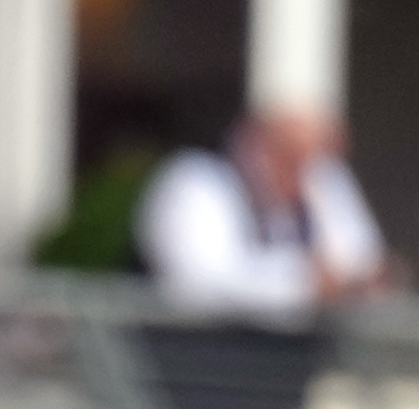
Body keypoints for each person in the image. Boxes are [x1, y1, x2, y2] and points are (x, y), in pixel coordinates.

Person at [139, 100, 399, 315]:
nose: (304, 175)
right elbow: (200, 286)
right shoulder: (192, 182)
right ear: (253, 146)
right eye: (289, 157)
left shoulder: (318, 181)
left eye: (315, 158)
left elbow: (361, 261)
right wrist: (304, 283)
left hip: (290, 364)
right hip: (192, 361)